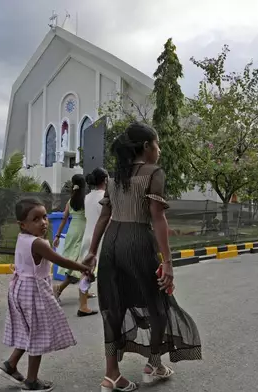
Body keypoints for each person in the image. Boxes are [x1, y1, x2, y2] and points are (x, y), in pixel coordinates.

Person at [83, 122, 202, 392]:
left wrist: (92, 252)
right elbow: (158, 216)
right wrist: (168, 263)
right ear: (147, 147)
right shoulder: (153, 172)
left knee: (113, 306)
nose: (158, 150)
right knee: (158, 302)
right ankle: (153, 364)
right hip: (138, 241)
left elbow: (105, 216)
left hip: (112, 243)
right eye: (157, 144)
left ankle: (111, 375)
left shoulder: (116, 177)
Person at [0, 198, 94, 391]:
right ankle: (31, 381)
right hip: (33, 292)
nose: (43, 222)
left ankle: (10, 365)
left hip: (20, 290)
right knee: (38, 334)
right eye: (36, 219)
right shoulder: (37, 243)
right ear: (22, 224)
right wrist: (83, 268)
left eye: (44, 217)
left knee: (30, 331)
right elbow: (61, 260)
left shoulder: (23, 238)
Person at [53, 174, 97, 317]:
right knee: (79, 265)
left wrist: (58, 236)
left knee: (76, 262)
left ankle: (85, 291)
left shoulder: (70, 201)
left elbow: (64, 219)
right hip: (83, 233)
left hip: (72, 232)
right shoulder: (86, 200)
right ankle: (58, 289)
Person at [76, 167, 109, 296]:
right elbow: (106, 219)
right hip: (100, 238)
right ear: (105, 180)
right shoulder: (105, 197)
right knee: (104, 271)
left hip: (88, 235)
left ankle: (83, 300)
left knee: (86, 270)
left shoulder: (87, 197)